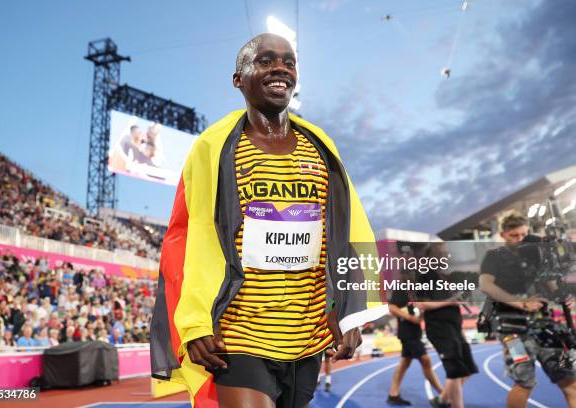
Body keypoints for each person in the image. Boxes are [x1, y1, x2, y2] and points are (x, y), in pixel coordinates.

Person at [150, 33, 387, 407]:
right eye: (265, 60)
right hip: (237, 333)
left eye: (288, 62)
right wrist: (194, 322)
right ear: (237, 79)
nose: (280, 68)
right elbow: (193, 236)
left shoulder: (319, 145)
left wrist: (352, 309)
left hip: (306, 334)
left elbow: (350, 228)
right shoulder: (214, 147)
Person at [479, 213, 576, 408]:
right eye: (515, 235)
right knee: (524, 382)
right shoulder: (494, 256)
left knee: (569, 380)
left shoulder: (537, 254)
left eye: (524, 234)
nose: (520, 239)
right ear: (503, 234)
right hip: (511, 329)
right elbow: (485, 285)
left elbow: (550, 283)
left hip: (545, 326)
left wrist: (563, 296)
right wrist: (521, 302)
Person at [416, 244, 478, 408]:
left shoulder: (445, 276)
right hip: (439, 328)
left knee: (469, 367)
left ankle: (442, 400)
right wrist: (449, 301)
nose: (445, 256)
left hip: (455, 328)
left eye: (446, 253)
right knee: (456, 371)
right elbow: (421, 304)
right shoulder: (424, 274)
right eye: (440, 253)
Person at [387, 282, 443, 406]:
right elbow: (392, 307)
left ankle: (393, 394)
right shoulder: (401, 287)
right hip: (408, 333)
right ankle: (443, 393)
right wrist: (410, 318)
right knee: (425, 360)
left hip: (415, 332)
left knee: (405, 362)